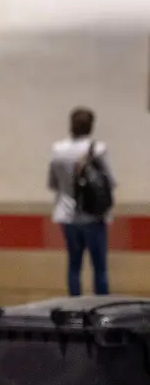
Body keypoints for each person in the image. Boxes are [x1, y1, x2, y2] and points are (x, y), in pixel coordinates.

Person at [47, 107, 116, 297]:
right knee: (99, 267)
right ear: (91, 126)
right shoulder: (98, 149)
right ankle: (101, 308)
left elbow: (52, 183)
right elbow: (110, 181)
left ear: (71, 125)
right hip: (93, 215)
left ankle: (74, 311)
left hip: (67, 215)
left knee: (74, 265)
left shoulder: (57, 150)